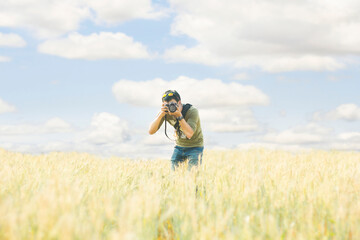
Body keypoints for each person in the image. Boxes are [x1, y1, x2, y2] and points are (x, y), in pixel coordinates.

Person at [148, 90, 204, 171]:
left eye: (173, 104)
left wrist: (179, 116)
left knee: (193, 176)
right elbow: (151, 131)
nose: (171, 107)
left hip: (195, 146)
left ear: (179, 102)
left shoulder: (192, 111)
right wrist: (160, 115)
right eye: (167, 105)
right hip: (179, 146)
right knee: (175, 177)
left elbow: (189, 134)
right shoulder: (165, 113)